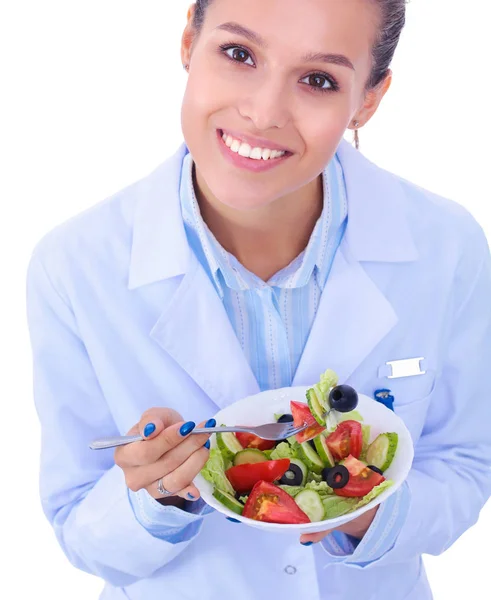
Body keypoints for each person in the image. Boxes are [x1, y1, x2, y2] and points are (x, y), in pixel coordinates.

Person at [25, 1, 491, 599]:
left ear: (369, 100)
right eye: (239, 53)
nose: (263, 113)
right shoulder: (75, 265)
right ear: (189, 41)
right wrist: (159, 494)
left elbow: (464, 463)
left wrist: (353, 504)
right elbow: (79, 529)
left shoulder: (446, 246)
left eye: (319, 80)